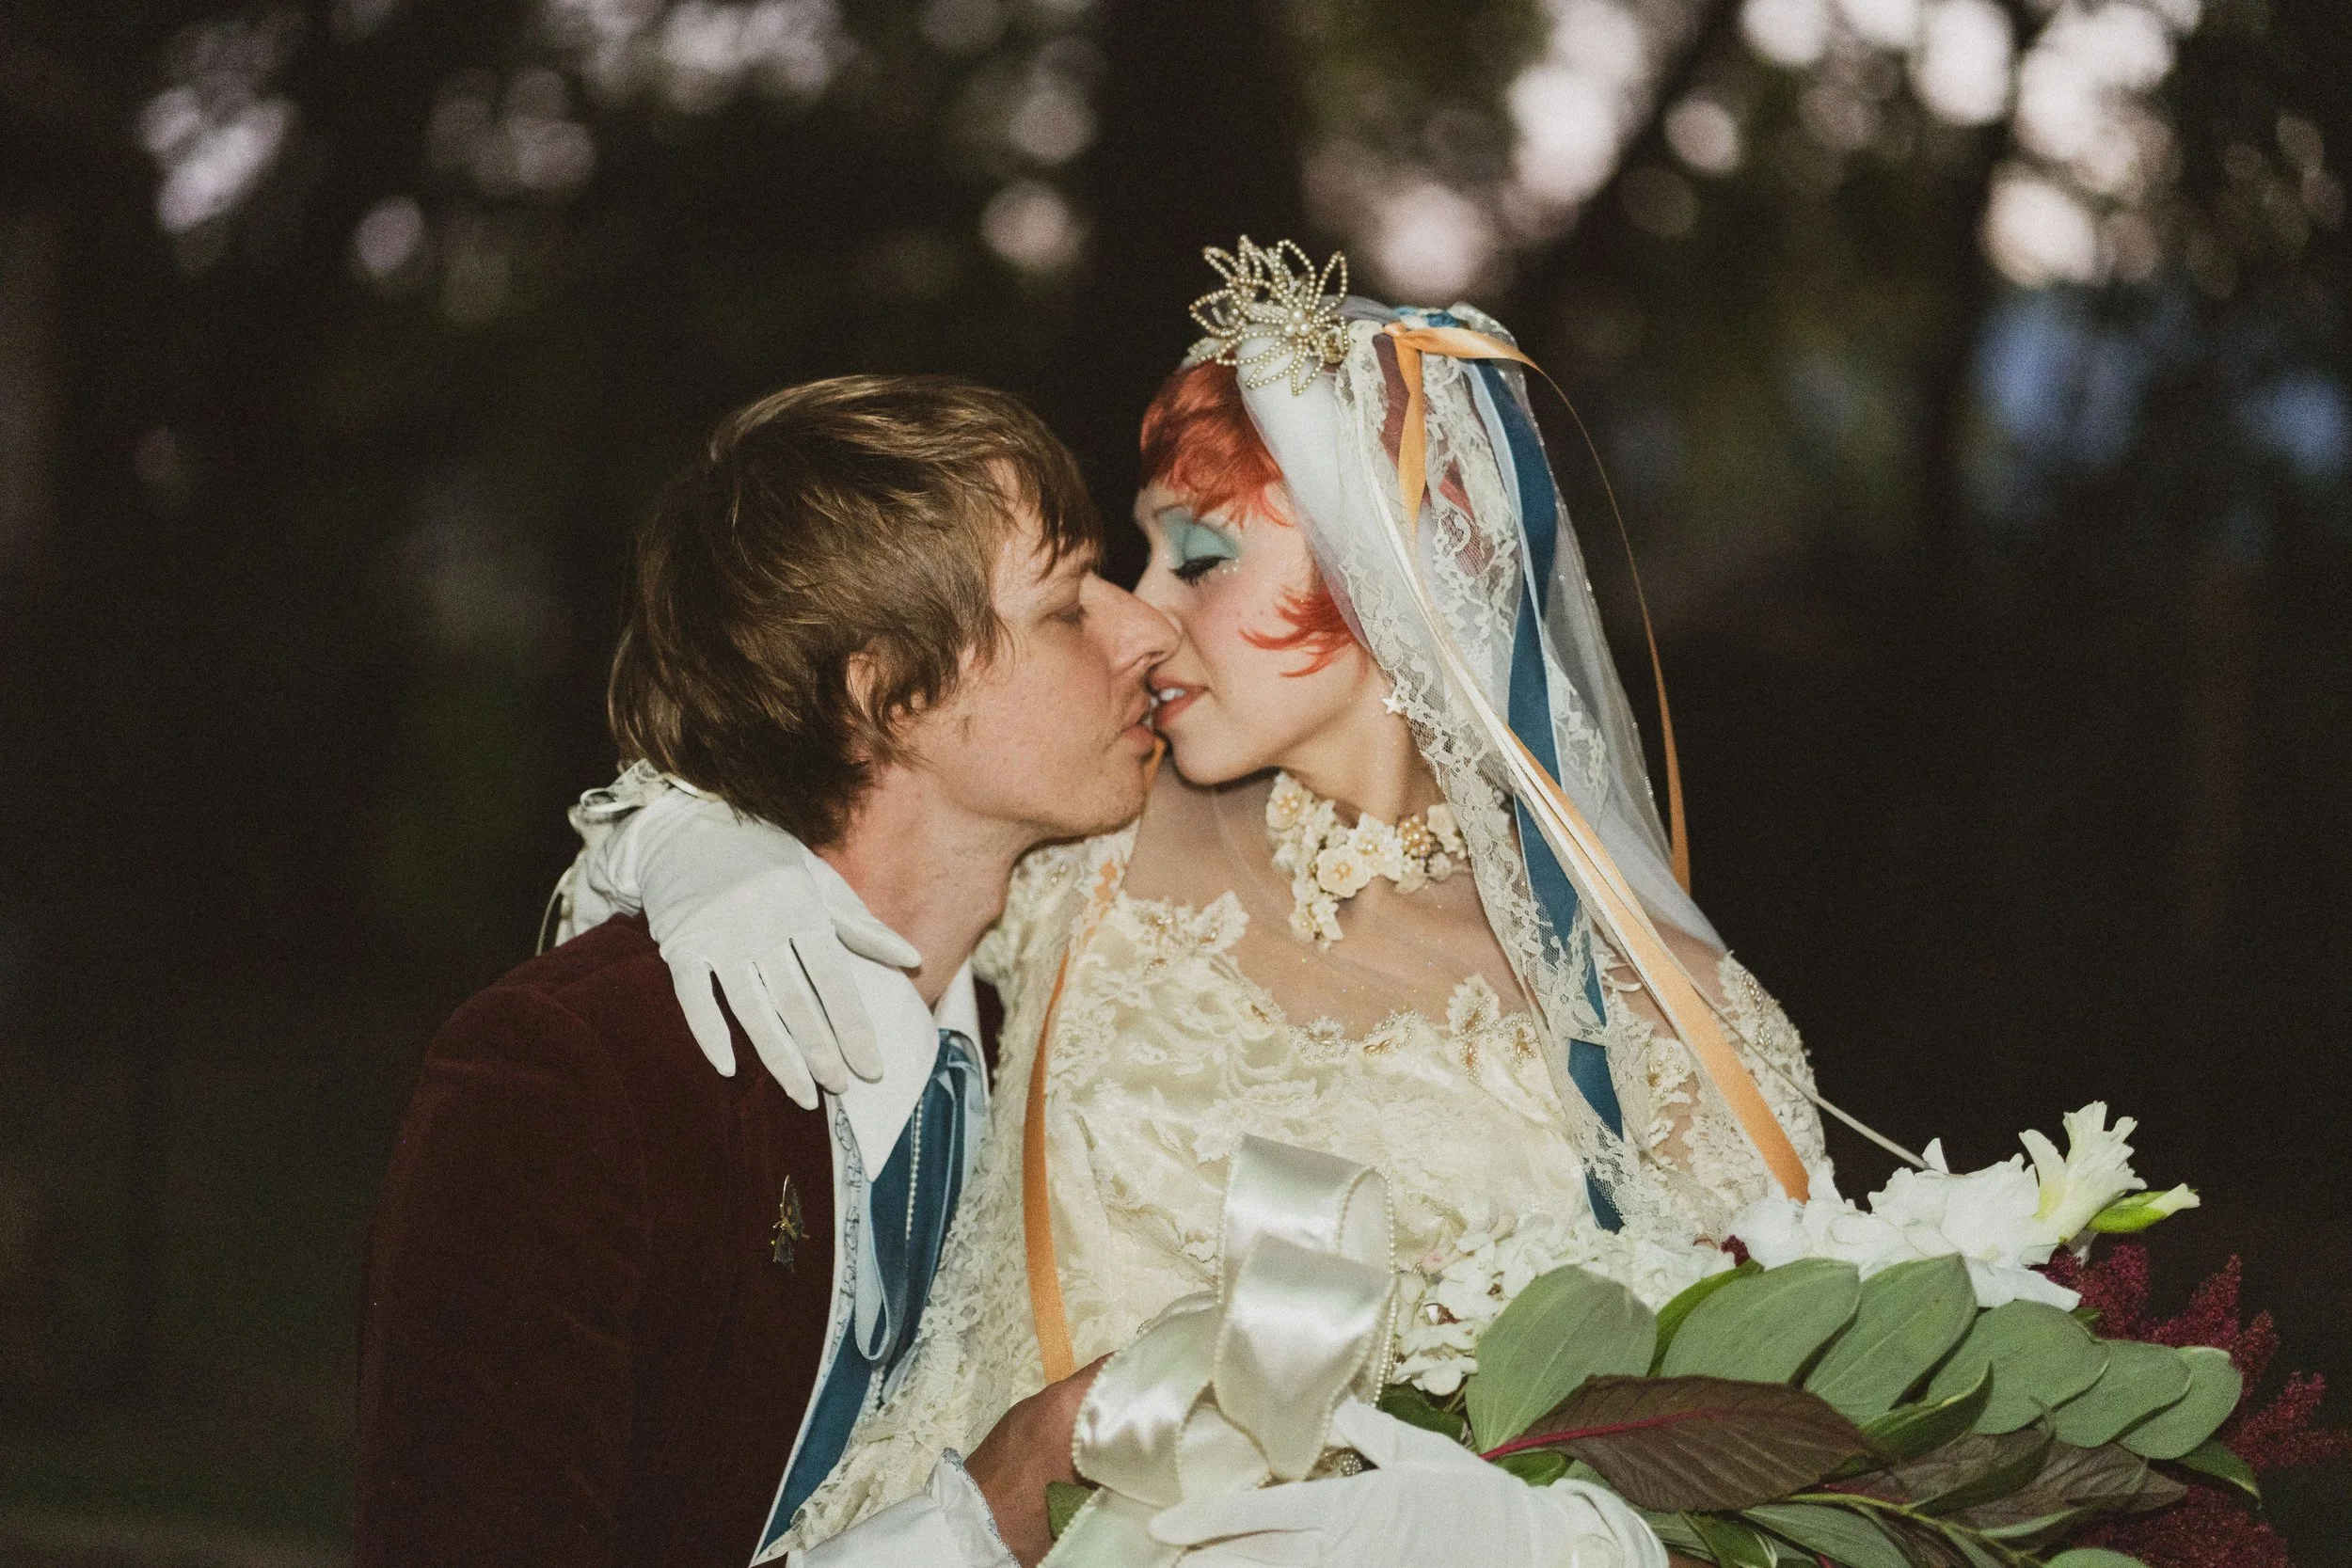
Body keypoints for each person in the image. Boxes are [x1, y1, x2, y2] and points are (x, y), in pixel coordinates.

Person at [578, 242, 1835, 1566]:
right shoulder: (1094, 840)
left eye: (1202, 556)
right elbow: (865, 770)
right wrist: (689, 836)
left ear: (1396, 560)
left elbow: (1789, 1472)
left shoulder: (1658, 1021)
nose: (1143, 613)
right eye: (1140, 553)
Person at [354, 374, 1175, 1568]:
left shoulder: (1038, 1032)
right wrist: (970, 1531)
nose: (1145, 627)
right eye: (1065, 605)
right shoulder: (580, 1074)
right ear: (885, 694)